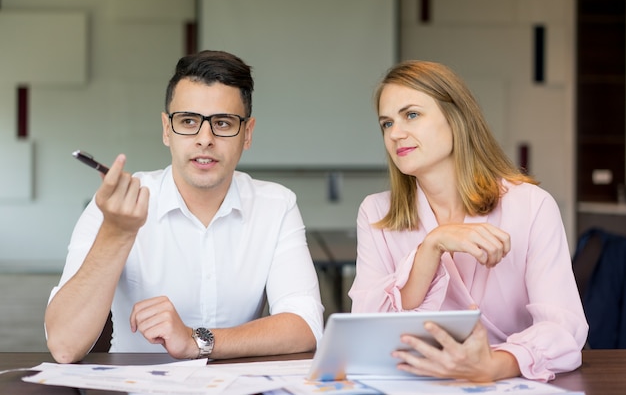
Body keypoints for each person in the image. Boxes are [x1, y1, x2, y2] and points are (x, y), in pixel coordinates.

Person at [45, 50, 324, 364]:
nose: (205, 139)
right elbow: (64, 345)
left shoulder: (277, 205)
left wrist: (196, 341)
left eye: (223, 122)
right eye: (188, 121)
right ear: (167, 129)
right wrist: (116, 233)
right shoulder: (115, 208)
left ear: (247, 133)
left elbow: (306, 326)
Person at [348, 60, 588, 382]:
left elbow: (564, 327)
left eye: (412, 115)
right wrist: (431, 247)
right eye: (386, 123)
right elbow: (367, 333)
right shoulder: (376, 213)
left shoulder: (531, 206)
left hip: (506, 384)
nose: (396, 134)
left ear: (456, 118)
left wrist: (494, 364)